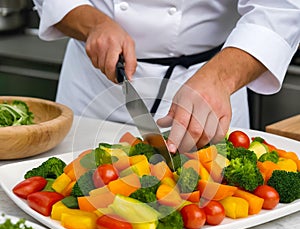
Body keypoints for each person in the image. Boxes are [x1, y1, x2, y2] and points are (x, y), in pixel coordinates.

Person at [33, 1, 300, 152]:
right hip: (93, 85)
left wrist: (220, 79)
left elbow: (281, 9)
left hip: (210, 80)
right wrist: (93, 24)